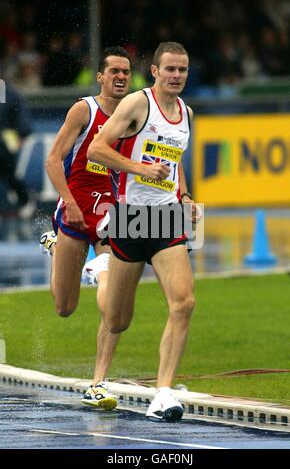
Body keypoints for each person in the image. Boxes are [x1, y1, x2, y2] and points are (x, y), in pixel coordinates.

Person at [87, 42, 197, 422]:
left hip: (165, 220)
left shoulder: (186, 113)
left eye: (182, 70)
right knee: (118, 319)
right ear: (154, 71)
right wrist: (138, 169)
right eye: (170, 69)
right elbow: (96, 150)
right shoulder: (137, 104)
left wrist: (183, 195)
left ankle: (163, 393)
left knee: (184, 302)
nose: (177, 76)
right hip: (130, 219)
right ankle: (98, 272)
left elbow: (174, 161)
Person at [39, 46, 132, 409]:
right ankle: (55, 247)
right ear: (101, 76)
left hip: (112, 216)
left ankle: (98, 383)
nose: (121, 77)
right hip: (76, 209)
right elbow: (52, 160)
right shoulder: (85, 109)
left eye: (126, 72)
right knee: (64, 307)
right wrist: (71, 204)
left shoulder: (135, 116)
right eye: (114, 72)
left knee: (114, 299)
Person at [0, 84, 35, 218]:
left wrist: (21, 136)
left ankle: (26, 200)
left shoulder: (10, 94)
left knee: (9, 175)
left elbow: (22, 118)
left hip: (7, 141)